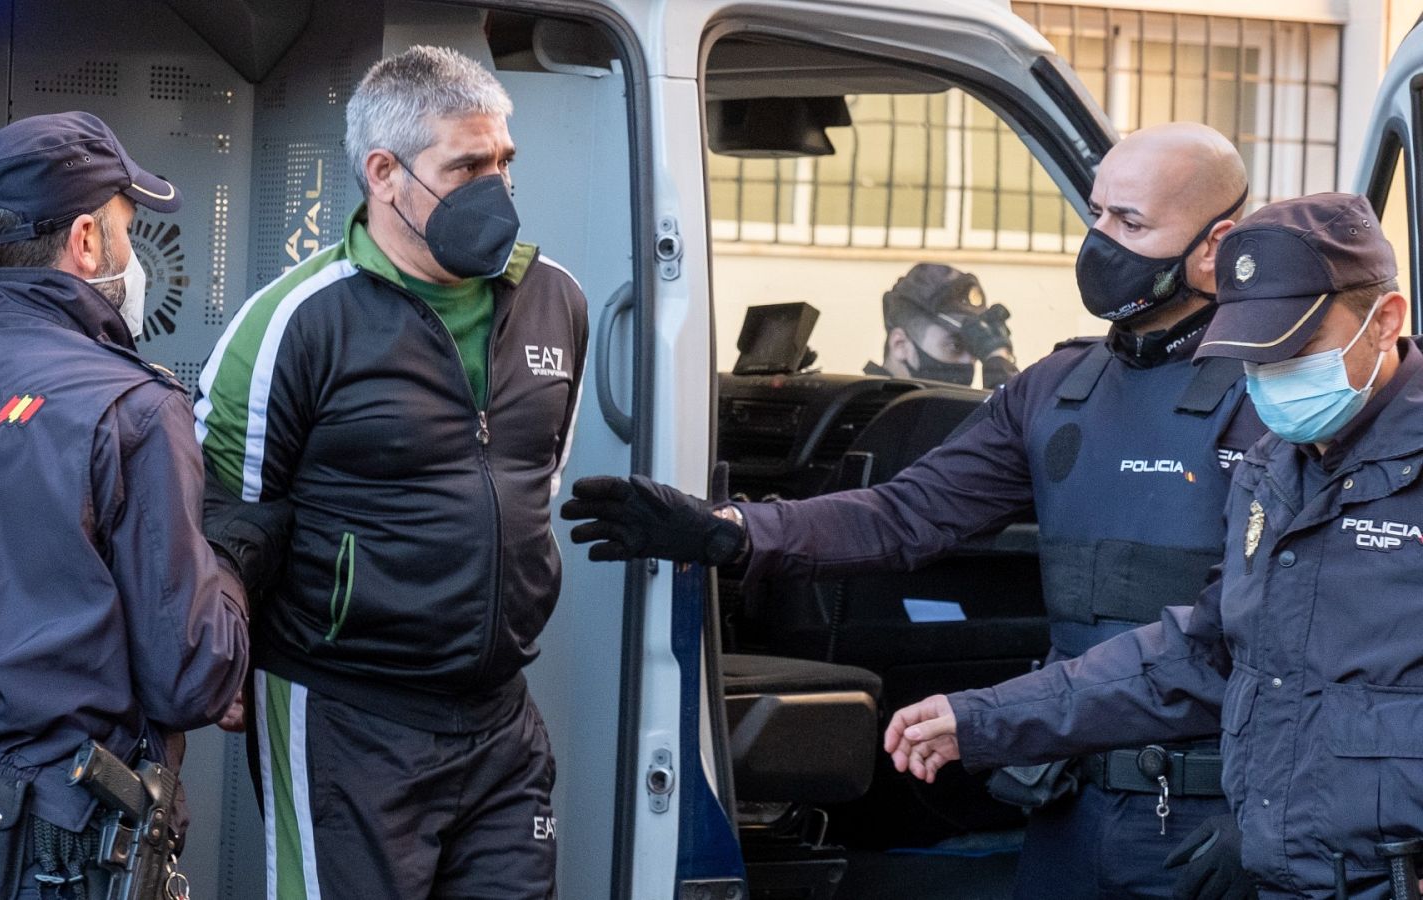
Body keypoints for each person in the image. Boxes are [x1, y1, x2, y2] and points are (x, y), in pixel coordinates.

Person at [560, 123, 1264, 899]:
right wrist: (729, 532)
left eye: (1130, 224)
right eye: (1096, 214)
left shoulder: (1271, 401)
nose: (1100, 241)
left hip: (1212, 818)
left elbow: (1234, 637)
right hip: (1070, 806)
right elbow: (906, 515)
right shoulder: (1059, 386)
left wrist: (1263, 821)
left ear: (1215, 246)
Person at [885, 191, 1421, 900]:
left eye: (1295, 351)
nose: (1270, 378)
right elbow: (1205, 655)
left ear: (1385, 321)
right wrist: (987, 719)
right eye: (1252, 359)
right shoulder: (1274, 470)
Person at [194, 46, 588, 899]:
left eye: (504, 163)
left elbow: (533, 482)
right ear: (385, 173)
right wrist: (218, 656)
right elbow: (223, 520)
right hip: (345, 717)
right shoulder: (295, 323)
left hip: (499, 718)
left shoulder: (557, 298)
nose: (496, 188)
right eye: (468, 166)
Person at [0, 112, 253, 897]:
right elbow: (191, 677)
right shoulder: (133, 409)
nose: (133, 259)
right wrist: (234, 564)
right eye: (128, 233)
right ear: (85, 240)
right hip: (65, 858)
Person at [865, 262, 1018, 388]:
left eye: (974, 349)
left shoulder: (941, 411)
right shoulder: (865, 413)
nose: (968, 362)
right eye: (955, 346)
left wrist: (999, 360)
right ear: (900, 345)